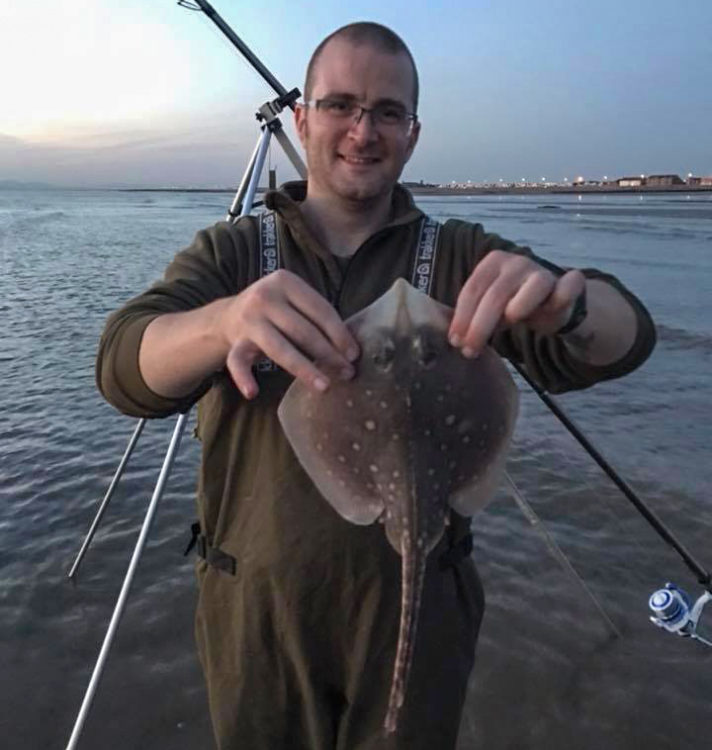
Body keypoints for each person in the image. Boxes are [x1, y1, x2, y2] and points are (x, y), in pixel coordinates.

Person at [96, 22, 655, 750]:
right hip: (257, 620)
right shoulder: (234, 253)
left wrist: (567, 303)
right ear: (302, 118)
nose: (364, 130)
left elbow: (626, 337)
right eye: (340, 105)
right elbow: (122, 364)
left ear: (413, 134)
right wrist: (224, 322)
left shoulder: (460, 255)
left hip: (420, 610)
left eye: (388, 112)